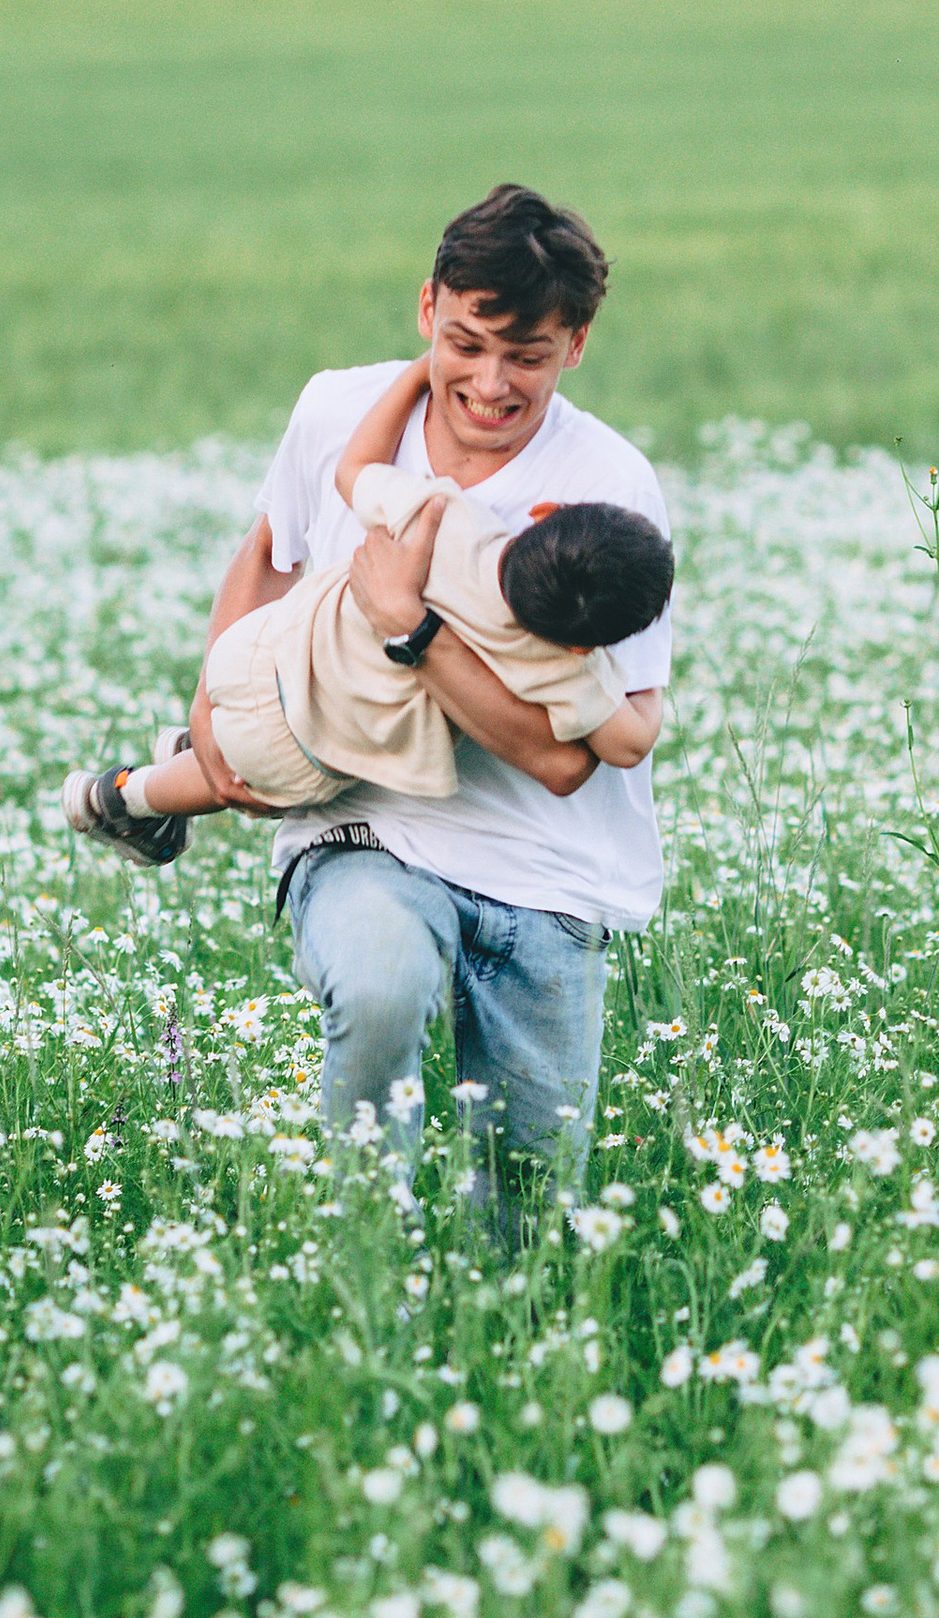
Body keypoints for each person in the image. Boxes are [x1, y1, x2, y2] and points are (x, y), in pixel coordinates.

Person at [100, 183, 672, 1237]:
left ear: (576, 345)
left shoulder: (606, 492)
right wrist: (214, 727)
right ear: (427, 307)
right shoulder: (338, 410)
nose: (491, 384)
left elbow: (567, 763)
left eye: (528, 357)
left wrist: (410, 630)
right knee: (375, 988)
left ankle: (500, 1345)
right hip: (364, 822)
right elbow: (267, 552)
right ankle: (372, 1271)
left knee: (532, 1216)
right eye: (466, 343)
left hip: (545, 872)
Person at [61, 351, 671, 840]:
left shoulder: (444, 514)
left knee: (239, 735)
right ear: (576, 642)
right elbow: (625, 744)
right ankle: (123, 799)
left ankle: (193, 746)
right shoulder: (554, 666)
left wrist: (416, 376)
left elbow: (353, 470)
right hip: (301, 738)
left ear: (544, 512)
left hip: (261, 648)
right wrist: (624, 690)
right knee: (241, 770)